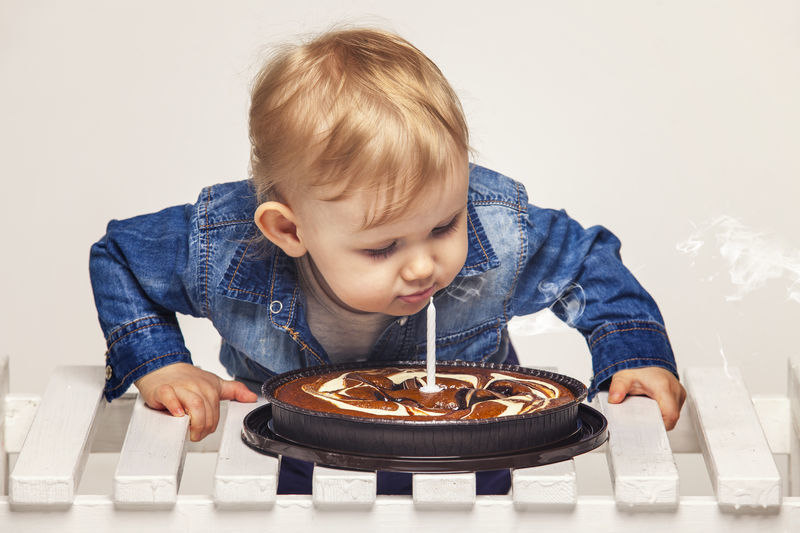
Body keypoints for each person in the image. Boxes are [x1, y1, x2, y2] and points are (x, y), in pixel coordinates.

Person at [90, 27, 686, 494]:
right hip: (303, 441)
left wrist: (634, 355)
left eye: (443, 225)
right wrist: (160, 364)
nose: (423, 265)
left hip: (470, 448)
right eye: (381, 247)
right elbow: (118, 255)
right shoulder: (224, 246)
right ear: (289, 230)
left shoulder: (495, 225)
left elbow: (586, 264)